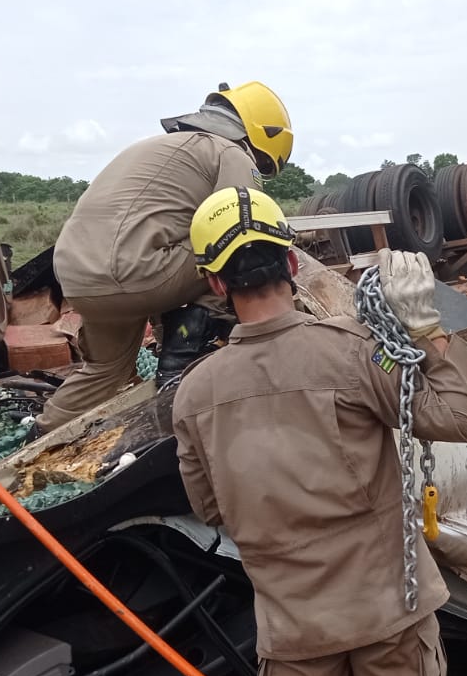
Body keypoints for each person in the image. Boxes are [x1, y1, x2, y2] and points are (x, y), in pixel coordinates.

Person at [171, 186, 467, 676]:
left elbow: (210, 508)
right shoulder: (355, 352)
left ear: (216, 282)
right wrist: (427, 330)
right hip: (390, 611)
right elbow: (461, 419)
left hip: (294, 632)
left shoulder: (194, 395)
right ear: (292, 262)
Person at [37, 81, 293, 432]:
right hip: (133, 270)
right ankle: (179, 373)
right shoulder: (229, 152)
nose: (258, 166)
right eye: (262, 162)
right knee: (228, 254)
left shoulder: (159, 147)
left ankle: (34, 444)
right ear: (261, 137)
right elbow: (243, 228)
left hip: (78, 278)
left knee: (103, 371)